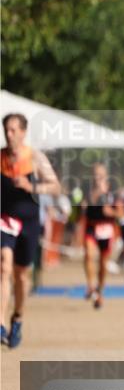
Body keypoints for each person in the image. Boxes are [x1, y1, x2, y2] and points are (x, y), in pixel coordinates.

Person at [1, 113, 61, 348]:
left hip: (29, 222)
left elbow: (56, 187)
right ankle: (0, 324)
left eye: (14, 130)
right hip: (5, 219)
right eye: (6, 130)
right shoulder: (0, 157)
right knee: (3, 265)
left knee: (21, 275)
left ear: (24, 132)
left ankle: (17, 317)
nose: (9, 134)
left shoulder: (35, 158)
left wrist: (31, 185)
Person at [82, 163, 124, 309]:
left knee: (103, 264)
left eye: (100, 174)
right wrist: (97, 193)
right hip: (91, 227)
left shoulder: (114, 191)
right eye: (95, 174)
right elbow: (85, 204)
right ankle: (90, 285)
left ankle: (100, 292)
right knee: (88, 254)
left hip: (107, 229)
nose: (97, 177)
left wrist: (111, 212)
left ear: (106, 175)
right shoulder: (87, 189)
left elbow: (121, 213)